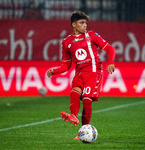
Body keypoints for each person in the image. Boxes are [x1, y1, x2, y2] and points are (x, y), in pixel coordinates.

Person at [47, 11, 115, 140]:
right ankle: (73, 116)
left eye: (85, 23)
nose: (84, 25)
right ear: (73, 24)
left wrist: (110, 62)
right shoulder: (66, 42)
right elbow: (66, 65)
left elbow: (110, 49)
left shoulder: (92, 35)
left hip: (94, 72)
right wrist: (54, 71)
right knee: (75, 92)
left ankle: (84, 130)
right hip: (79, 73)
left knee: (86, 99)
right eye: (81, 23)